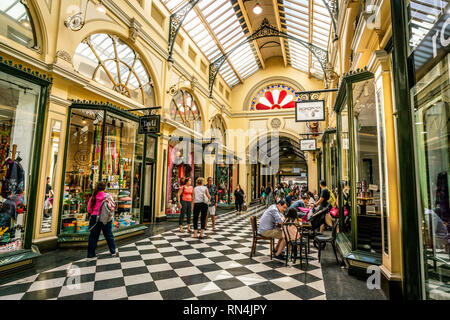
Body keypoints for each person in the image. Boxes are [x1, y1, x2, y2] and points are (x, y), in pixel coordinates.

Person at [87, 181, 116, 260]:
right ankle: (113, 251)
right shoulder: (108, 196)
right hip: (105, 218)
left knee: (93, 237)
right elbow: (113, 206)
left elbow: (89, 209)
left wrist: (94, 212)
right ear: (105, 188)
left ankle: (91, 255)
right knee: (109, 235)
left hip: (94, 218)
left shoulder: (93, 196)